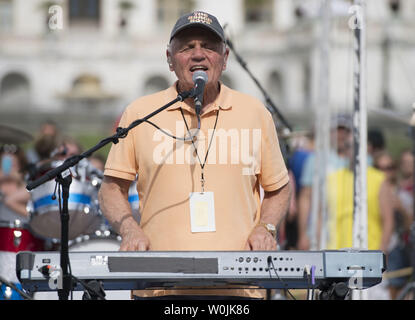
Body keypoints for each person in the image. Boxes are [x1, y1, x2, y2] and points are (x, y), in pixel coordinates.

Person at [98, 11, 291, 300]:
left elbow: (279, 188)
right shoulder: (140, 113)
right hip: (159, 288)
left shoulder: (255, 114)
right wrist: (129, 229)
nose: (198, 55)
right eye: (187, 47)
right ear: (169, 58)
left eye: (209, 47)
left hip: (239, 290)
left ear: (225, 59)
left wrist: (266, 227)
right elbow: (112, 189)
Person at [297, 114, 352, 250]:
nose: (341, 135)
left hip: (351, 233)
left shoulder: (361, 161)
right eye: (337, 130)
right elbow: (305, 197)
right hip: (322, 234)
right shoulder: (316, 159)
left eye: (345, 131)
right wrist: (303, 234)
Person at [374, 152, 412, 299]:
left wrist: (401, 208)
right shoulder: (368, 191)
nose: (385, 172)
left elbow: (410, 224)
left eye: (389, 168)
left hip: (395, 248)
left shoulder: (401, 194)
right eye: (380, 168)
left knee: (395, 289)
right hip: (375, 246)